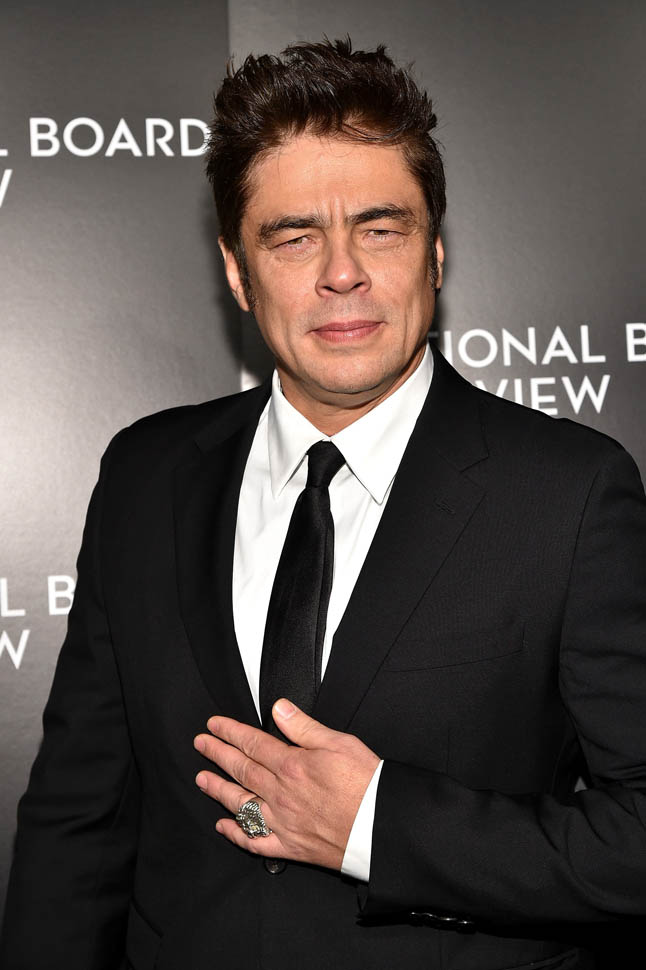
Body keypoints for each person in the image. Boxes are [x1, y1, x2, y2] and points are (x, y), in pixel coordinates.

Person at [1, 37, 645, 970]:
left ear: (434, 253)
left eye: (381, 228)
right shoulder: (146, 476)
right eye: (294, 236)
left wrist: (377, 826)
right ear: (237, 270)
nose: (342, 272)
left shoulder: (569, 493)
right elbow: (78, 826)